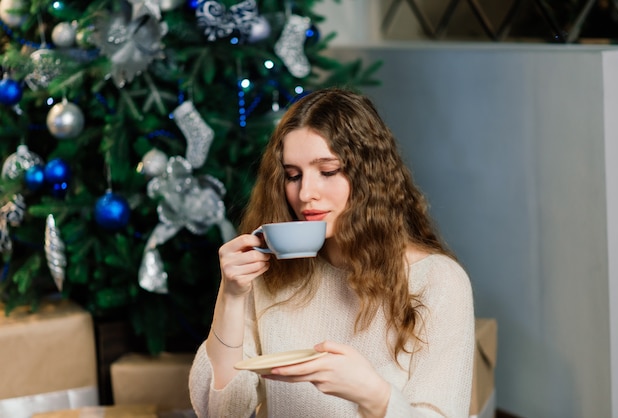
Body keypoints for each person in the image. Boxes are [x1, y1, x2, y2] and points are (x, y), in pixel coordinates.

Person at [189, 88, 475, 417]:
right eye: (293, 176)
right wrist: (232, 294)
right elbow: (220, 412)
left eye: (328, 171)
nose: (306, 193)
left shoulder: (438, 281)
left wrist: (371, 393)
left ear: (370, 176)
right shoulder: (273, 275)